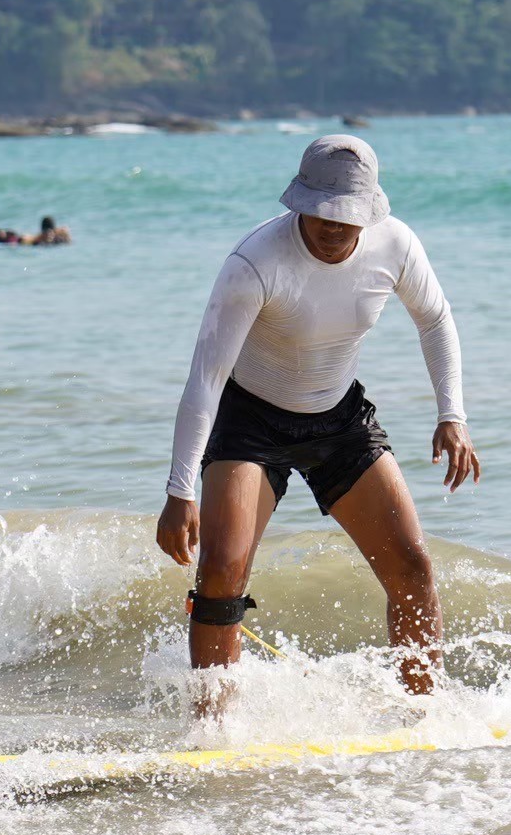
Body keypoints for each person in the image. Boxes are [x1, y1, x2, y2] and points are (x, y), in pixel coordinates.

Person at [157, 135, 478, 703]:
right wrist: (180, 491)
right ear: (299, 200)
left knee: (412, 567)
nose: (332, 225)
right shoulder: (255, 262)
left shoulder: (396, 244)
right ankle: (212, 726)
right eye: (321, 211)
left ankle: (425, 713)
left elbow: (435, 320)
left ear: (370, 210)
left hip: (339, 418)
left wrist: (451, 415)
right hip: (250, 422)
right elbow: (206, 377)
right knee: (221, 573)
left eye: (347, 215)